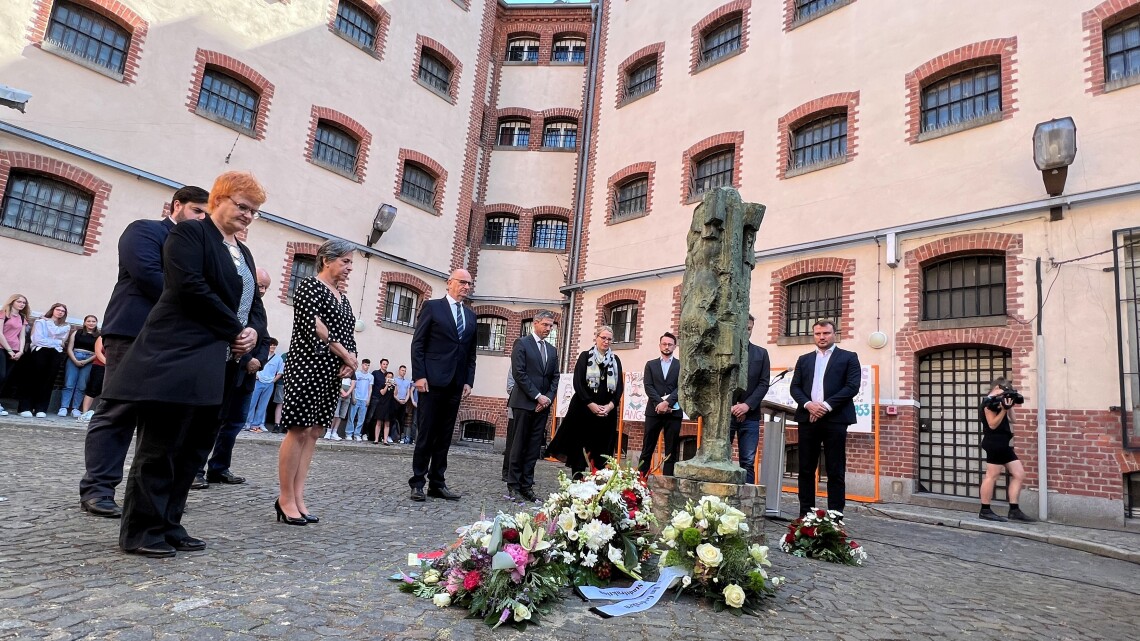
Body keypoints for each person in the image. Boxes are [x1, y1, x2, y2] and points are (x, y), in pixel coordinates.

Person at [102, 172, 265, 557]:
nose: (247, 215)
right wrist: (234, 328)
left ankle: (170, 523)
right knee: (161, 447)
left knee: (193, 450)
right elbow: (188, 286)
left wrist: (255, 333)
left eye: (254, 211)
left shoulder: (242, 252)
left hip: (220, 364)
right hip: (180, 356)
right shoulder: (190, 234)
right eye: (242, 206)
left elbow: (254, 303)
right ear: (219, 200)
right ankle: (142, 530)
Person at [78, 186, 208, 518]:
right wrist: (198, 299)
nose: (202, 218)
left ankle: (148, 496)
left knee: (162, 420)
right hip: (133, 331)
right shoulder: (145, 231)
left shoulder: (201, 248)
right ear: (177, 205)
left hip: (175, 339)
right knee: (118, 411)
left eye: (206, 214)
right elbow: (150, 276)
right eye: (197, 210)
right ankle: (98, 488)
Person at [276, 239, 358, 525]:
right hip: (307, 365)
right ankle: (284, 497)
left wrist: (351, 359)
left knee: (313, 433)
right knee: (298, 429)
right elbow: (317, 328)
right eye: (346, 261)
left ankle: (299, 496)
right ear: (327, 260)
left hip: (330, 371)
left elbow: (347, 334)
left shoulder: (343, 298)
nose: (350, 268)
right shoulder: (309, 287)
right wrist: (347, 355)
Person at [193, 267, 275, 489]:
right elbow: (232, 331)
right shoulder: (236, 301)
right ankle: (196, 470)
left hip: (248, 376)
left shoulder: (259, 309)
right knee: (212, 421)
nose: (263, 290)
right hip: (228, 369)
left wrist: (258, 361)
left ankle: (219, 468)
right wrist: (247, 358)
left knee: (235, 423)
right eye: (259, 285)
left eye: (266, 286)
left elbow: (265, 338)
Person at [408, 269, 477, 502]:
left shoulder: (470, 316)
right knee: (426, 433)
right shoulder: (432, 307)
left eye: (469, 283)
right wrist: (419, 376)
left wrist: (468, 380)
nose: (466, 286)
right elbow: (418, 344)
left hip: (456, 383)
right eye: (462, 282)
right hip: (431, 381)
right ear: (449, 283)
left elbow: (470, 353)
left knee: (445, 436)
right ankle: (418, 482)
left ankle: (437, 482)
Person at [789, 319, 861, 517]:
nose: (822, 337)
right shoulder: (804, 360)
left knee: (835, 470)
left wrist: (825, 407)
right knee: (805, 469)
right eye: (818, 334)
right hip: (808, 419)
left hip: (835, 420)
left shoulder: (848, 357)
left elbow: (852, 386)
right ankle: (806, 515)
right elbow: (795, 387)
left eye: (826, 333)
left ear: (834, 334)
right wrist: (809, 405)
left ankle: (835, 517)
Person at [546, 325, 624, 479]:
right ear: (596, 338)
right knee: (578, 447)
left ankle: (597, 485)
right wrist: (591, 404)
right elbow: (578, 383)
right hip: (583, 409)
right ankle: (577, 483)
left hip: (606, 413)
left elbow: (619, 387)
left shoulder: (615, 360)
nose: (606, 341)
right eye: (603, 338)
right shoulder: (585, 357)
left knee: (601, 451)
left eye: (609, 339)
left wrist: (609, 406)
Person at [506, 310, 559, 501]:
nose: (548, 328)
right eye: (545, 324)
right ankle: (513, 485)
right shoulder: (522, 343)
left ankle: (527, 485)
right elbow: (519, 373)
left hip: (542, 407)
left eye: (551, 326)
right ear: (535, 323)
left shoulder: (552, 350)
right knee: (518, 445)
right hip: (524, 403)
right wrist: (537, 396)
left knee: (533, 447)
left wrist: (548, 399)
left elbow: (555, 377)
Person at [979, 378, 1036, 523]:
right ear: (998, 387)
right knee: (992, 475)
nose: (1007, 392)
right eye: (1006, 389)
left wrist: (1009, 405)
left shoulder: (1000, 402)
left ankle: (1014, 510)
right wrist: (1003, 410)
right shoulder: (988, 403)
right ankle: (985, 510)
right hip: (994, 443)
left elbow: (1014, 420)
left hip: (1004, 444)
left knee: (1019, 474)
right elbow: (992, 424)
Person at [729, 315, 771, 485]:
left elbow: (763, 383)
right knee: (722, 459)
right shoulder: (725, 352)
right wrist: (732, 406)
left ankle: (746, 501)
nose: (746, 332)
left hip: (751, 416)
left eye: (749, 328)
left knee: (747, 460)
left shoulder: (761, 354)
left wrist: (747, 405)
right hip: (726, 415)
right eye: (742, 328)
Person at [637, 332, 683, 477]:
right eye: (664, 344)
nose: (667, 347)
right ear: (659, 345)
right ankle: (640, 482)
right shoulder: (651, 365)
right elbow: (648, 386)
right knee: (647, 448)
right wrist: (660, 403)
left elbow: (682, 386)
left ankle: (668, 482)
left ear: (675, 346)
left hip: (673, 412)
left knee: (671, 450)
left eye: (670, 344)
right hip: (653, 412)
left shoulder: (680, 365)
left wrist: (668, 402)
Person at [17, 303, 71, 418]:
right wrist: (56, 342)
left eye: (63, 311)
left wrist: (54, 341)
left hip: (55, 354)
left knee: (48, 381)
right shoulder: (41, 322)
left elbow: (62, 341)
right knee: (32, 379)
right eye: (58, 309)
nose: (60, 312)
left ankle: (41, 408)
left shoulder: (66, 326)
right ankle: (25, 407)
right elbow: (37, 340)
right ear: (52, 310)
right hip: (39, 352)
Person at [59, 315, 100, 417]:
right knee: (69, 383)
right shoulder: (77, 333)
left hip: (89, 360)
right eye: (89, 321)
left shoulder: (99, 336)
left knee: (82, 385)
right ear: (85, 322)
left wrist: (87, 361)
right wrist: (74, 360)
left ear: (96, 323)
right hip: (74, 357)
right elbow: (69, 348)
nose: (91, 323)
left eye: (93, 321)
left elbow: (98, 352)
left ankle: (75, 408)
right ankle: (64, 407)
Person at [0, 294, 31, 417]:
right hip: (3, 348)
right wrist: (9, 350)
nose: (22, 304)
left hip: (15, 350)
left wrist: (20, 351)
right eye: (19, 301)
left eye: (24, 302)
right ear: (12, 302)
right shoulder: (3, 314)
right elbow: (0, 333)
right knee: (1, 375)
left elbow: (22, 336)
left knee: (6, 377)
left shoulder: (22, 318)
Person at [247, 338, 283, 433]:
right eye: (271, 345)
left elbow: (280, 372)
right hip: (258, 381)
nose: (272, 347)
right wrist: (256, 376)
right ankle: (247, 423)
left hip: (269, 383)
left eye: (274, 345)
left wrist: (273, 381)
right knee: (252, 403)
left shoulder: (278, 358)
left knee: (263, 405)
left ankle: (258, 424)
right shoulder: (261, 355)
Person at [77, 335, 105, 423]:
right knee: (93, 388)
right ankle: (84, 413)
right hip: (100, 366)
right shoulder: (102, 337)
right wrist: (107, 363)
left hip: (115, 367)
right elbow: (98, 352)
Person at [345, 358, 372, 441]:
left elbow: (370, 389)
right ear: (362, 365)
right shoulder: (356, 374)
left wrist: (368, 399)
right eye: (365, 365)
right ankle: (349, 433)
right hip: (356, 397)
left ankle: (357, 434)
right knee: (351, 417)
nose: (366, 367)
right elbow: (353, 386)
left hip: (364, 400)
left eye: (368, 365)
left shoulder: (370, 376)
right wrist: (353, 397)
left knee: (361, 419)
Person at [326, 374, 354, 441]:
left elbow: (353, 384)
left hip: (347, 396)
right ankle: (329, 431)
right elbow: (336, 381)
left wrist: (347, 393)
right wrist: (343, 391)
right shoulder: (341, 370)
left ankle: (334, 432)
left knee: (341, 415)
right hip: (338, 394)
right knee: (335, 413)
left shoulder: (352, 372)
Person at [501, 369, 516, 482]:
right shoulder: (516, 362)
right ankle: (507, 471)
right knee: (511, 441)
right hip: (516, 407)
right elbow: (510, 387)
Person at [374, 371, 397, 444]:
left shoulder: (393, 386)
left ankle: (385, 440)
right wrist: (387, 385)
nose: (389, 378)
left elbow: (395, 394)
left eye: (391, 377)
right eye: (388, 377)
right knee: (379, 422)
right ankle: (376, 439)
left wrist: (395, 386)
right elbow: (382, 392)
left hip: (389, 405)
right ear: (385, 377)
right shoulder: (382, 384)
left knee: (387, 423)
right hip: (382, 404)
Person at [393, 365, 413, 443]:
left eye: (405, 371)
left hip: (403, 402)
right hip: (396, 401)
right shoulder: (395, 380)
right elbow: (394, 393)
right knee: (394, 419)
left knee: (401, 420)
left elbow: (408, 392)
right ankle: (393, 436)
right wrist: (398, 400)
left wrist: (406, 400)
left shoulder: (407, 382)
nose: (403, 372)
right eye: (402, 370)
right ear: (399, 370)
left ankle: (401, 437)